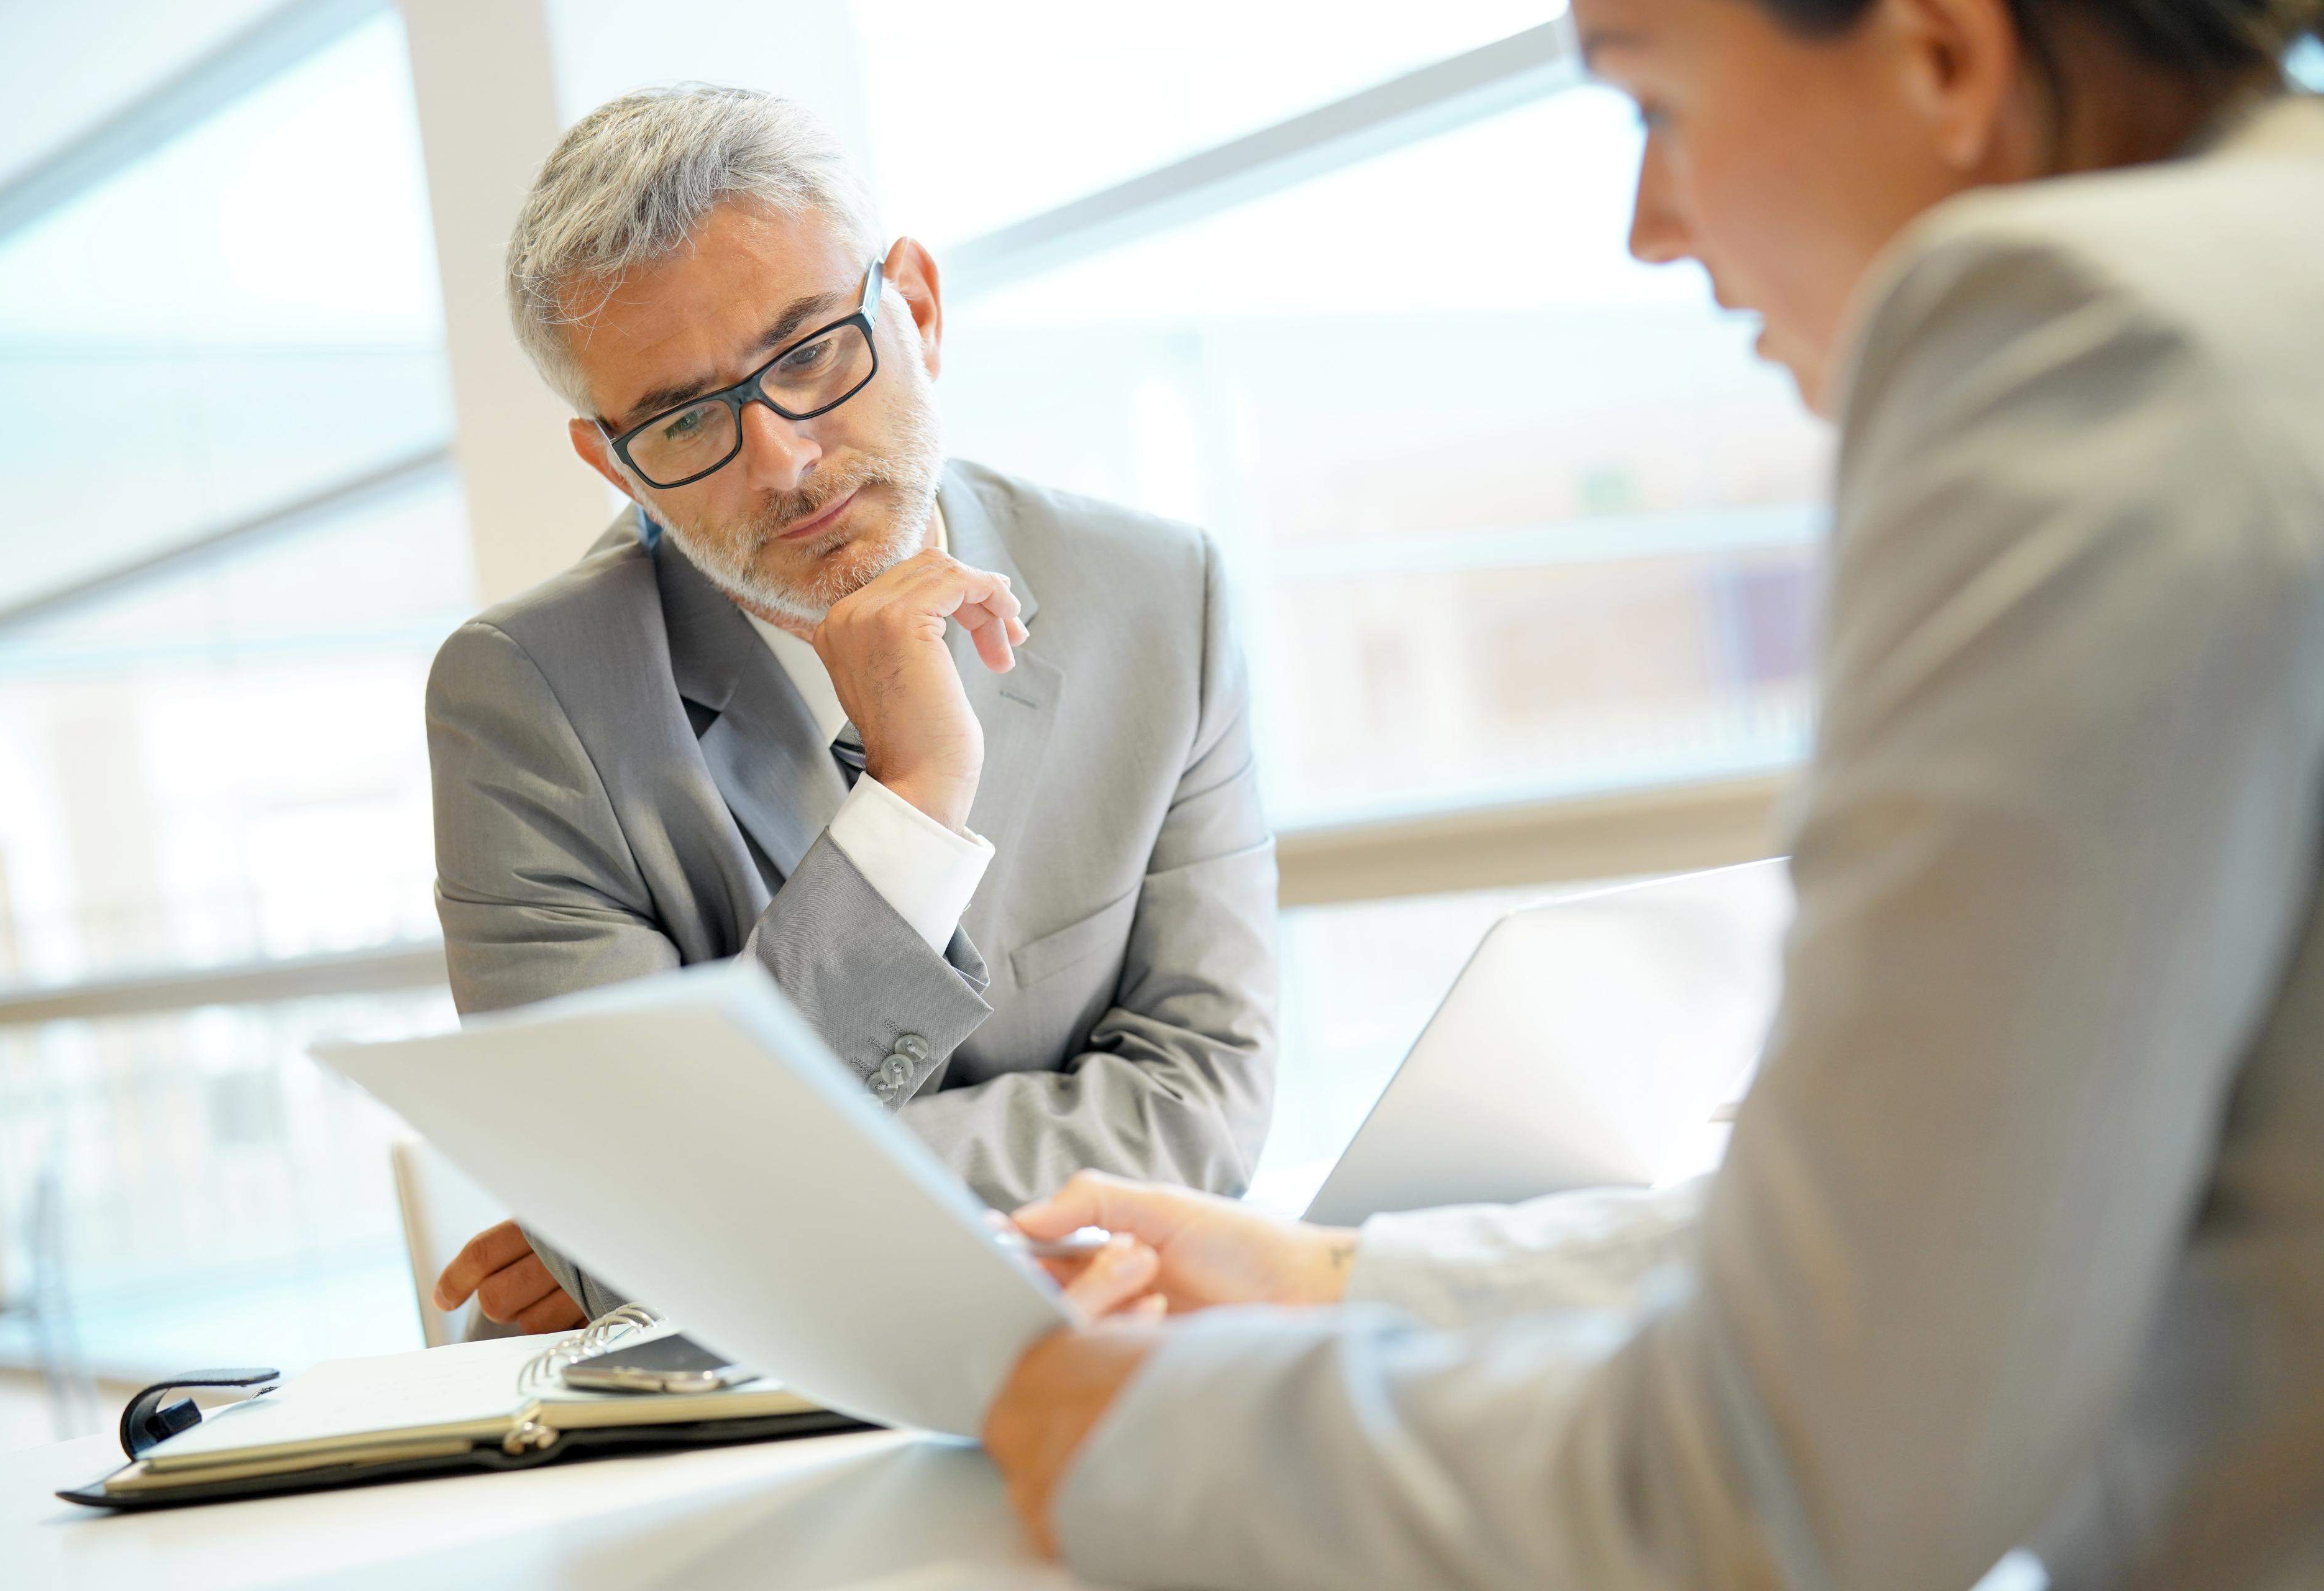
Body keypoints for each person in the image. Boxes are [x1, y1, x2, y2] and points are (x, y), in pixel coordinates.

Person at [982, 1, 2324, 1587]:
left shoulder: (2095, 338)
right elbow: (1944, 1235)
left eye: (1654, 110)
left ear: (1945, 56)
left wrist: (1131, 1438)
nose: (1648, 229)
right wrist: (1346, 1277)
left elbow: (1801, 1473)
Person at [423, 86, 1276, 1331]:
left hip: (1115, 1356)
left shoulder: (1163, 596)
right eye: (681, 418)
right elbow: (640, 1229)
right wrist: (911, 809)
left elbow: (1207, 1103)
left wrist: (695, 1211)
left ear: (918, 307)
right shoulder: (521, 701)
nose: (781, 456)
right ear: (615, 462)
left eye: (812, 350)